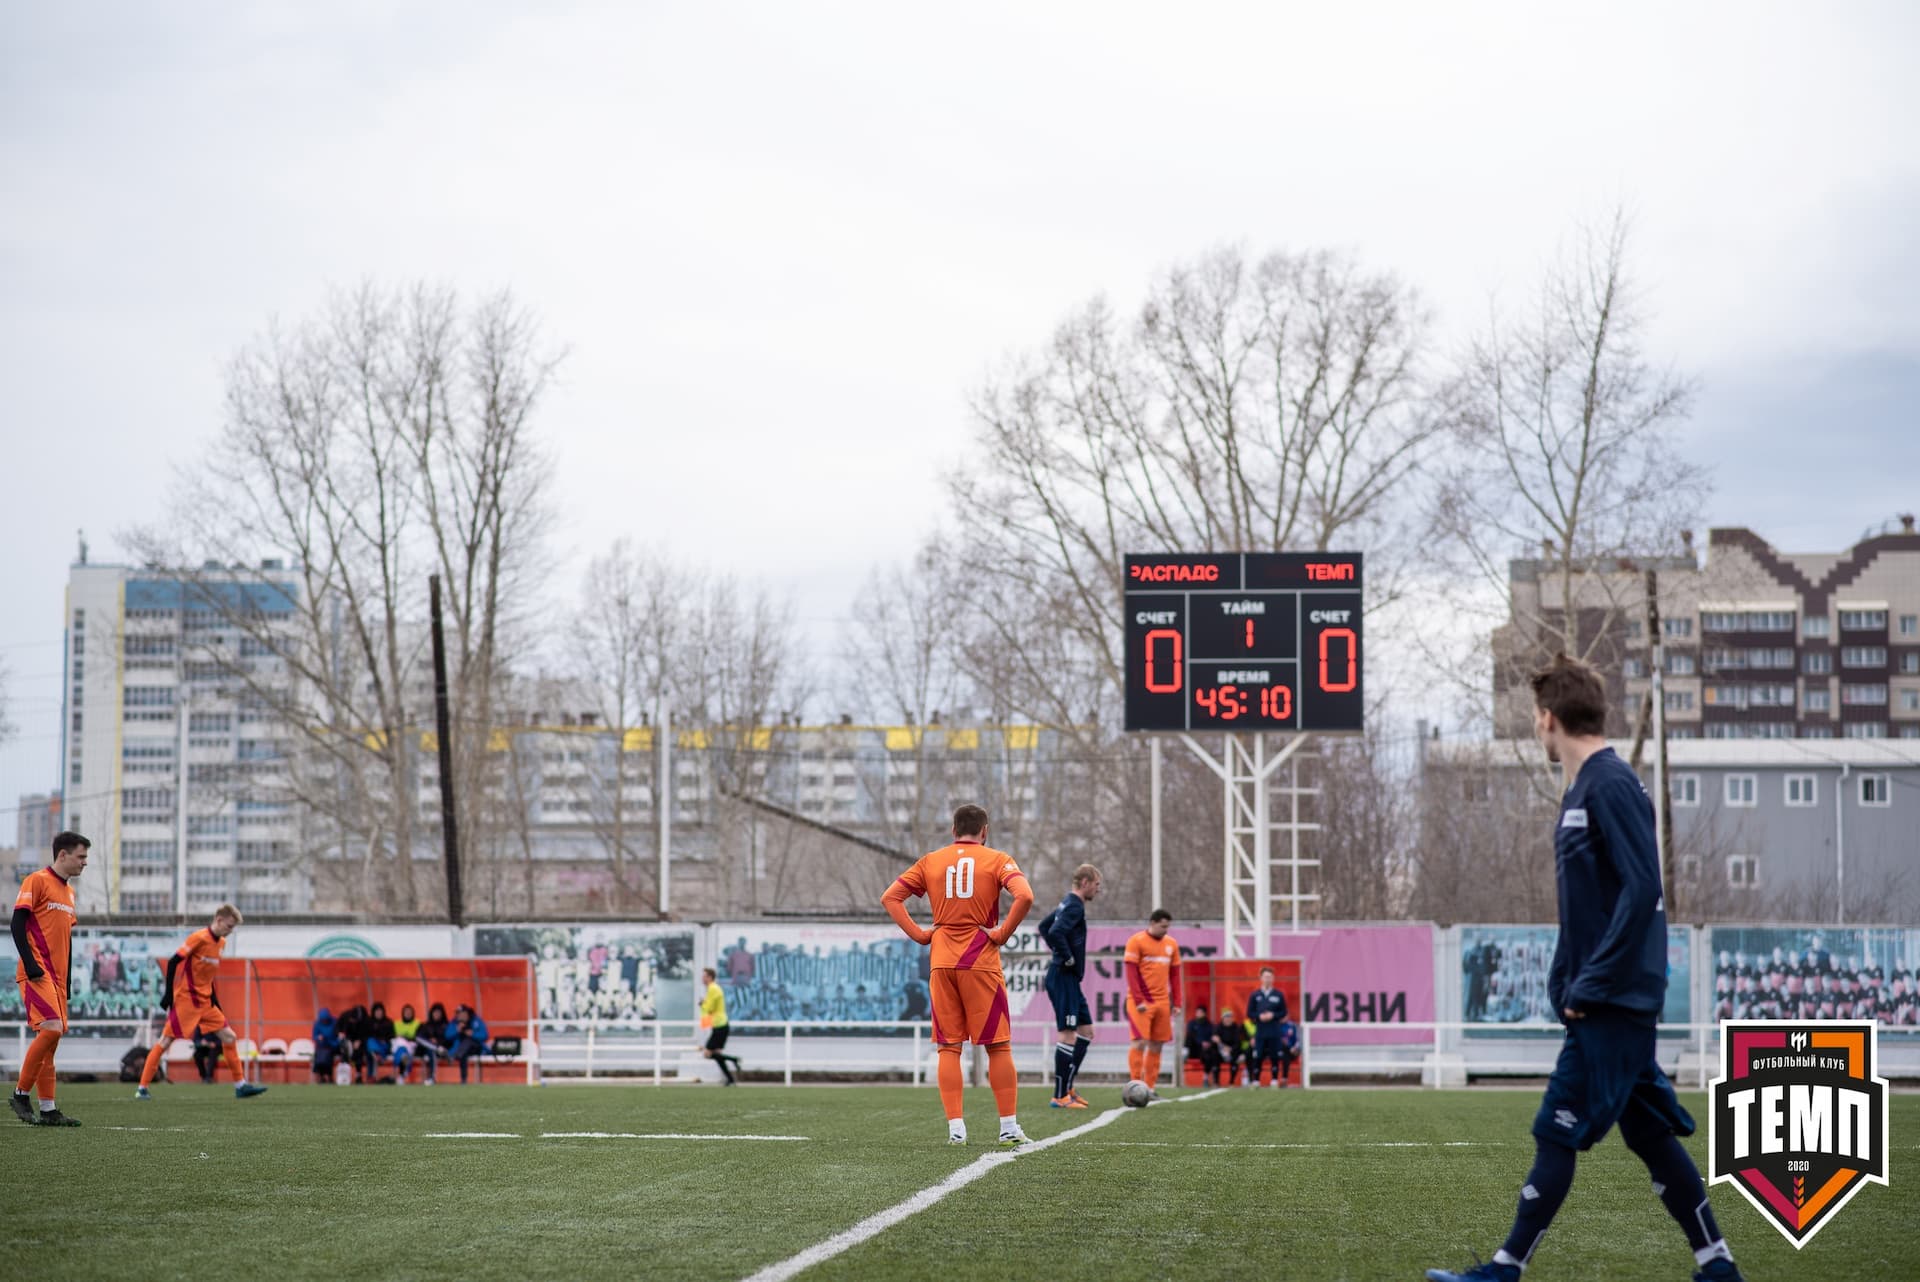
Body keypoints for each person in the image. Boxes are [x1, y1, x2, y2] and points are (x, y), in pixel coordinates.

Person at [1427, 655, 1742, 1282]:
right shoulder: (1583, 787)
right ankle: (1717, 1264)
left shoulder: (1610, 783)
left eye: (1534, 717)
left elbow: (1643, 888)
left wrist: (1592, 982)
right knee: (1651, 1136)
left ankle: (1504, 1267)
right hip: (1606, 997)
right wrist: (1563, 975)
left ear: (1548, 719)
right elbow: (1593, 905)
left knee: (1556, 1129)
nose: (1534, 727)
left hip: (1615, 1001)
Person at [882, 803, 1034, 1147]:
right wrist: (1001, 933)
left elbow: (890, 897)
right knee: (998, 1045)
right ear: (985, 831)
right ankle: (1008, 1127)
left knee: (948, 1048)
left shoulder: (930, 860)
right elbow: (1025, 895)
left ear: (953, 831)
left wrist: (922, 935)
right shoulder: (997, 859)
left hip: (942, 960)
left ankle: (956, 1130)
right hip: (980, 959)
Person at [135, 904, 270, 1101]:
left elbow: (208, 976)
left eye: (233, 928)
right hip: (187, 1001)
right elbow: (174, 961)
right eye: (229, 926)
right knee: (165, 1042)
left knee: (230, 1037)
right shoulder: (198, 938)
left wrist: (215, 1001)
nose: (230, 931)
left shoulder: (220, 943)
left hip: (206, 1002)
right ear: (219, 920)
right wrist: (168, 995)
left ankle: (240, 1086)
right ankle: (142, 1088)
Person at [11, 831, 92, 1127]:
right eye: (81, 856)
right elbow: (17, 923)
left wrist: (66, 982)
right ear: (62, 855)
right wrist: (31, 965)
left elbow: (66, 941)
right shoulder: (36, 880)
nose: (85, 863)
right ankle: (21, 1093)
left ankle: (48, 1110)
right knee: (51, 1030)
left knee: (50, 1043)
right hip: (36, 972)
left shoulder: (70, 893)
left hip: (57, 979)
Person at [1038, 863, 1101, 1108]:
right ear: (1085, 882)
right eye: (1097, 885)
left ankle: (1069, 1087)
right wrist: (1067, 957)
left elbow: (1044, 927)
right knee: (1067, 1034)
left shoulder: (1067, 902)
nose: (1098, 890)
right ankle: (1060, 1096)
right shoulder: (1074, 905)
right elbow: (1054, 932)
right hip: (1063, 976)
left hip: (1069, 979)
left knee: (1086, 1032)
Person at [1123, 909, 1182, 1099]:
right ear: (1153, 923)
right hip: (1141, 1002)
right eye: (1163, 926)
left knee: (1157, 1045)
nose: (1166, 930)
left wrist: (1177, 1002)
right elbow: (1131, 973)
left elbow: (1175, 975)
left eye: (1168, 927)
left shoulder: (1171, 944)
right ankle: (1134, 1086)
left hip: (1163, 1002)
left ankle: (1149, 1088)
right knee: (1139, 1042)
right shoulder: (1136, 941)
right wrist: (1139, 1000)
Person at [698, 967, 744, 1085]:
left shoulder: (713, 989)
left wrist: (702, 1003)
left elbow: (709, 1008)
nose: (702, 978)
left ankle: (734, 1060)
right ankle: (730, 1079)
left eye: (704, 976)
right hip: (719, 1025)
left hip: (720, 1025)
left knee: (707, 1053)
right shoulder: (712, 988)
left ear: (709, 977)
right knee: (717, 1054)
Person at [1246, 966, 1289, 1088]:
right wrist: (1259, 1017)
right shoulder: (1255, 995)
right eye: (1265, 976)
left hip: (1274, 1030)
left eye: (1270, 977)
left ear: (1273, 978)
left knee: (1274, 1055)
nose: (1267, 979)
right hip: (1260, 1030)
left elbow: (1284, 1012)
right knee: (1258, 1055)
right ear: (1260, 978)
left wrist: (1273, 1015)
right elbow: (1249, 1013)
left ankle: (1274, 1080)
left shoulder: (1278, 995)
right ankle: (1256, 1081)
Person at [447, 1004, 489, 1083]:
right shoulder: (454, 1023)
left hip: (477, 1048)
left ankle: (455, 1055)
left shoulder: (476, 1021)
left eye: (462, 1013)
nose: (460, 1015)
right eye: (458, 1013)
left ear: (467, 1013)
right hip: (462, 1050)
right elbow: (447, 1036)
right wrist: (457, 1030)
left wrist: (472, 1034)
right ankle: (464, 1079)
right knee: (463, 1054)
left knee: (468, 1041)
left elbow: (485, 1035)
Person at [1183, 1003, 1222, 1086]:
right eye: (1197, 1012)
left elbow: (1213, 1036)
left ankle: (1208, 1078)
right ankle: (1184, 1053)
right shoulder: (1192, 1024)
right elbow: (1191, 1037)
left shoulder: (1209, 1025)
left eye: (1200, 1012)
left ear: (1204, 1013)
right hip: (1194, 1049)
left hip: (1206, 1050)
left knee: (1212, 1055)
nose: (1198, 1014)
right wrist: (1201, 1043)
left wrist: (1208, 1043)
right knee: (1189, 1038)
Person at [1212, 1006, 1247, 1085]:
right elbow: (1215, 1038)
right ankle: (1216, 1081)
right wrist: (1220, 1045)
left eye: (1229, 1017)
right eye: (1226, 1017)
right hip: (1221, 1050)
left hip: (1232, 1050)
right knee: (1214, 1056)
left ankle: (1231, 1081)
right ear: (1222, 1018)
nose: (1227, 1019)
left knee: (1236, 1059)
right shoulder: (1218, 1027)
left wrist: (1230, 1049)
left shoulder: (1236, 1028)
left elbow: (1238, 1043)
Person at [392, 1002, 422, 1082]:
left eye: (409, 1012)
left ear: (413, 1013)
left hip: (411, 1044)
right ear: (403, 1013)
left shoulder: (417, 1023)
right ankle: (403, 1071)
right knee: (400, 1045)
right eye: (406, 1012)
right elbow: (393, 1035)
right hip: (398, 1044)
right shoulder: (396, 1023)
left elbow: (418, 1037)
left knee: (402, 1048)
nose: (408, 1013)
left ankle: (402, 1072)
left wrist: (405, 1037)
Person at [311, 1007, 343, 1081]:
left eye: (325, 1019)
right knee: (319, 1056)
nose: (324, 1021)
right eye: (323, 1020)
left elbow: (338, 1034)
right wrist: (318, 1037)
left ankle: (328, 1075)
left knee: (327, 1056)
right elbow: (314, 1036)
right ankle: (321, 1075)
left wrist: (338, 1039)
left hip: (333, 1045)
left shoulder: (335, 1022)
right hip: (322, 1046)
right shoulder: (317, 1024)